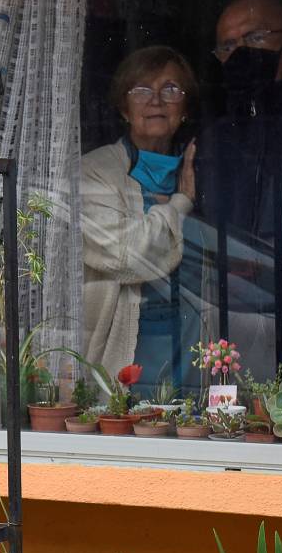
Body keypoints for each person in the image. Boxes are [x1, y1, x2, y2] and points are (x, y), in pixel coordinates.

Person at [190, 0, 282, 383]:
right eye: (228, 46)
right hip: (235, 313)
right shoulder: (212, 140)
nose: (242, 54)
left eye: (256, 37)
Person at [80, 45, 199, 390]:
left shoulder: (202, 168)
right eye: (141, 90)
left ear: (185, 108)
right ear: (124, 107)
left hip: (189, 336)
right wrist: (180, 205)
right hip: (128, 340)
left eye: (171, 89)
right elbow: (128, 255)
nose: (156, 100)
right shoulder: (95, 173)